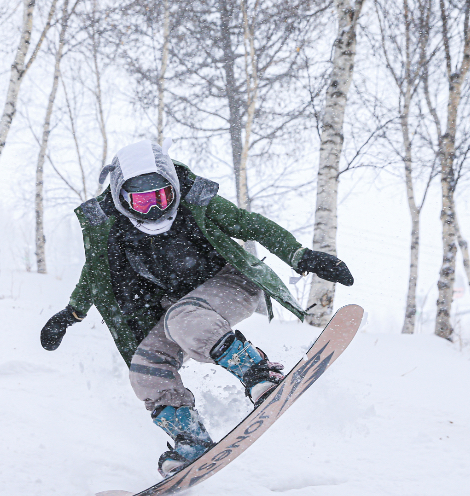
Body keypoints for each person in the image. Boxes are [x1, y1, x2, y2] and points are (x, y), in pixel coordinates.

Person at [40, 140, 353, 477]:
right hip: (181, 312)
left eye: (161, 197)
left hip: (231, 284)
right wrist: (70, 314)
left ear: (173, 187)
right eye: (141, 202)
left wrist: (299, 255)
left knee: (183, 318)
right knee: (144, 366)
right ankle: (190, 439)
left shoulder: (195, 202)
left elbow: (250, 224)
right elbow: (95, 273)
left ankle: (259, 373)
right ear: (121, 197)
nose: (153, 211)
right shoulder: (113, 230)